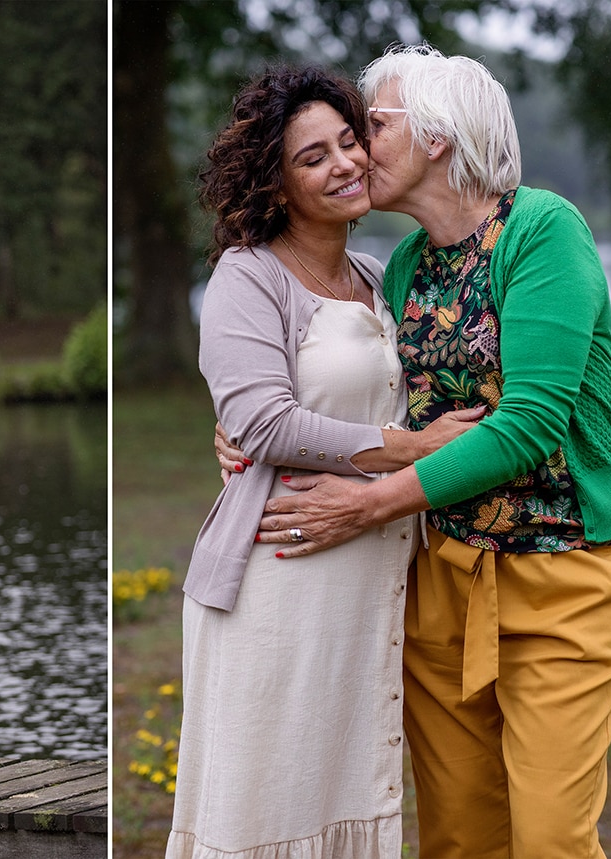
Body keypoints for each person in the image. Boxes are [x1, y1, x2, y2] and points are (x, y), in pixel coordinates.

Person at [219, 45, 611, 858]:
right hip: (442, 578)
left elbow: (529, 425)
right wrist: (244, 430)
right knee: (459, 839)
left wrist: (371, 503)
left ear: (437, 136)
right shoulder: (404, 268)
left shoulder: (542, 231)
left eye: (371, 126)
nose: (355, 152)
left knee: (551, 839)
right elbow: (364, 396)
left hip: (566, 577)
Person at [166, 65, 482, 859]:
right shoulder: (247, 275)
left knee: (351, 793)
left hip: (374, 582)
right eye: (313, 157)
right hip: (281, 577)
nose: (345, 163)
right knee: (271, 806)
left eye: (350, 140)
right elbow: (263, 420)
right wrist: (412, 448)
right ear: (275, 183)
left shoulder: (381, 277)